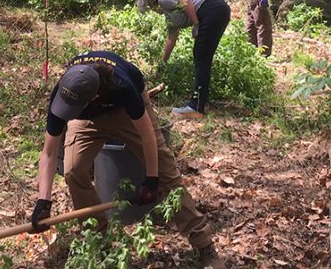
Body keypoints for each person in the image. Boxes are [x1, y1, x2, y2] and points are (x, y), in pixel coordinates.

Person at [31, 51, 225, 269]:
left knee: (166, 172)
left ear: (93, 99)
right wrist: (43, 202)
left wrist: (152, 178)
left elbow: (147, 136)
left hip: (124, 111)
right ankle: (100, 244)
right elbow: (48, 152)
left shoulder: (122, 86)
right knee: (73, 170)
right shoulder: (65, 94)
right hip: (87, 118)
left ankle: (203, 243)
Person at [135, 0, 231, 118]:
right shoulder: (170, 12)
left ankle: (196, 107)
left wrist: (196, 24)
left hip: (211, 9)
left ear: (152, 1)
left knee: (201, 58)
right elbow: (171, 39)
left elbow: (185, 0)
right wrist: (163, 64)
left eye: (150, 7)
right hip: (218, 9)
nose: (154, 11)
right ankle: (199, 101)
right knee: (203, 57)